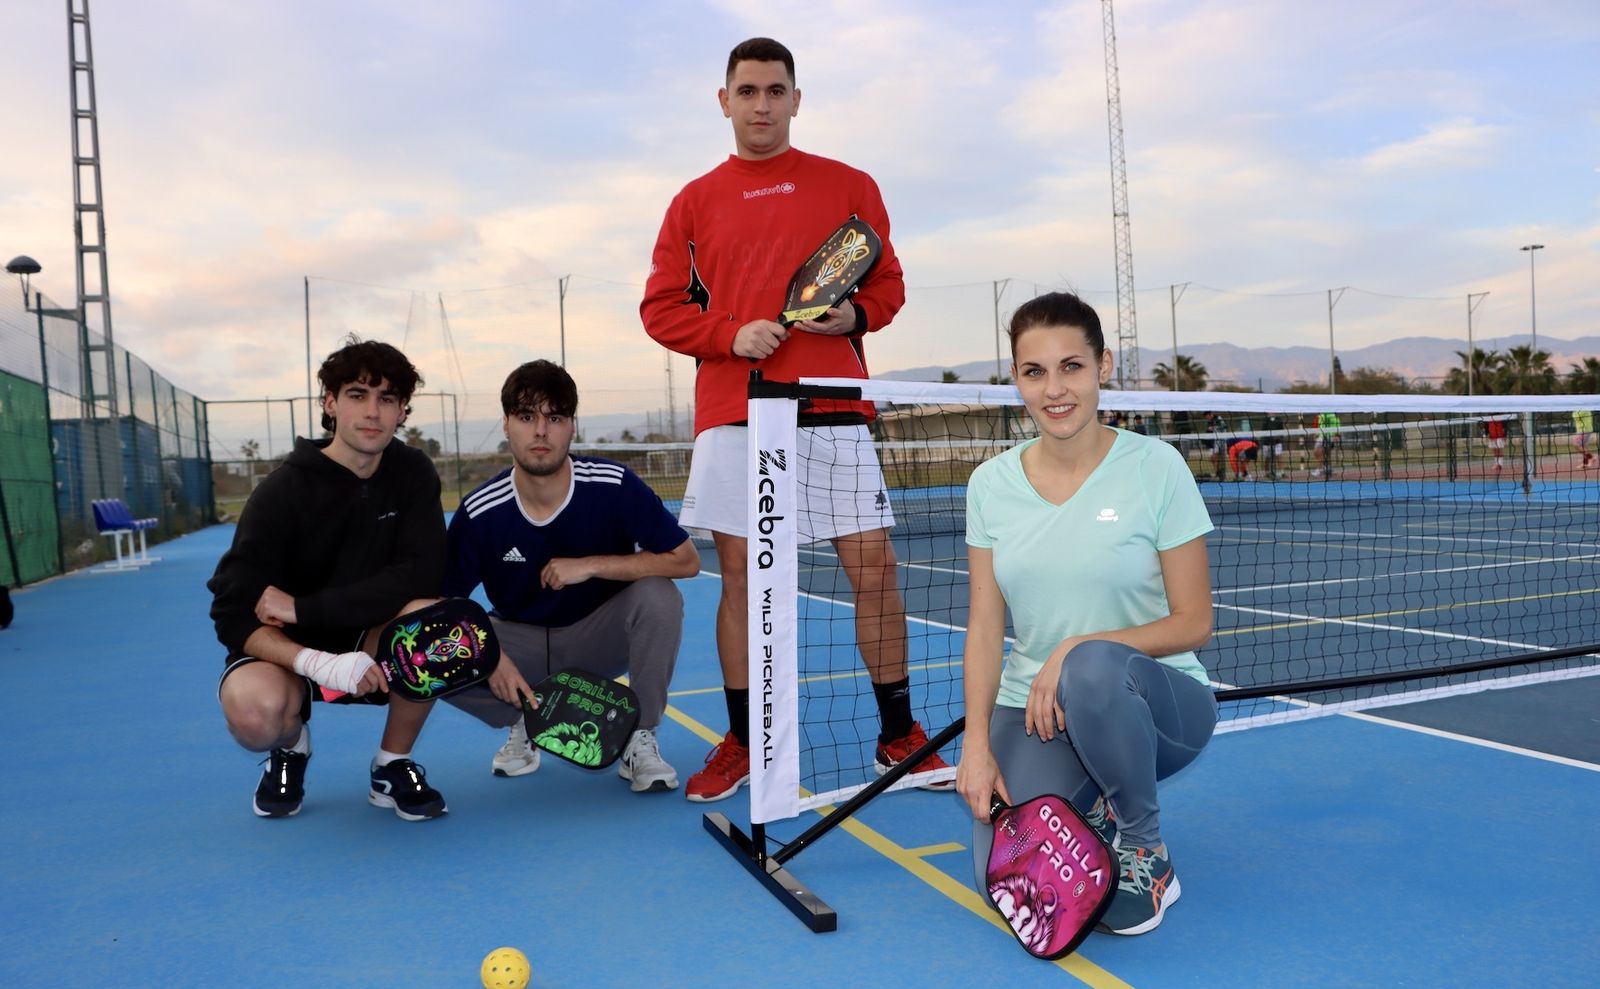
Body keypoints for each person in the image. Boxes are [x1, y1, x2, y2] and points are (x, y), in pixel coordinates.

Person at [640, 36, 950, 802]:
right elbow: (660, 308)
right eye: (747, 91)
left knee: (873, 570)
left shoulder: (850, 186)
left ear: (796, 100)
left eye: (775, 91)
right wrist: (728, 335)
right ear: (725, 101)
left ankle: (898, 736)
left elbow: (890, 286)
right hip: (734, 409)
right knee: (743, 580)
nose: (762, 105)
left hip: (831, 404)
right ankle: (744, 742)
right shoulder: (692, 201)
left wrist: (854, 317)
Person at [956, 292, 1217, 937]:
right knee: (1020, 877)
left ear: (1102, 366)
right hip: (1036, 712)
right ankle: (1096, 802)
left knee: (1094, 667)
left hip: (1155, 704)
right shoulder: (989, 485)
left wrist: (1077, 649)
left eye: (1071, 366)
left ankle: (1146, 853)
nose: (1055, 390)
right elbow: (986, 627)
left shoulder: (1157, 467)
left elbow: (1194, 622)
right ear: (1016, 380)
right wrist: (976, 744)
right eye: (1034, 371)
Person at [208, 338, 448, 821]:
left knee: (436, 623)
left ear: (402, 410)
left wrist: (306, 609)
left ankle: (391, 763)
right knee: (254, 717)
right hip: (289, 652)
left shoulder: (412, 472)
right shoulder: (281, 492)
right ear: (330, 403)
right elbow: (232, 611)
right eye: (358, 395)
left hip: (371, 641)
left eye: (387, 399)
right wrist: (316, 661)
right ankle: (292, 746)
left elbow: (422, 573)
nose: (372, 412)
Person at [437, 361, 699, 793]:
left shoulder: (613, 485)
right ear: (506, 425)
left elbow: (685, 560)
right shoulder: (480, 511)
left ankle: (638, 736)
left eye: (554, 418)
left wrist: (592, 564)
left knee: (658, 595)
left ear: (572, 427)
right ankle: (526, 717)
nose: (541, 431)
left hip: (596, 638)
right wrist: (495, 659)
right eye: (526, 417)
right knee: (431, 646)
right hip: (519, 648)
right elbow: (444, 603)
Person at [1314, 412, 1341, 478]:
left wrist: (1337, 436)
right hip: (1321, 437)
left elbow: (1338, 428)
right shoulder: (1321, 416)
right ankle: (1325, 468)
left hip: (1330, 437)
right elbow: (1319, 426)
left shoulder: (1335, 417)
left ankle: (1319, 470)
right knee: (1316, 453)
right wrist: (1316, 434)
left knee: (1323, 453)